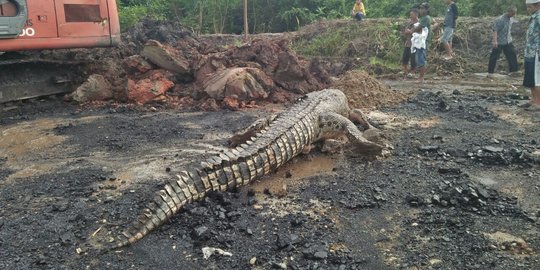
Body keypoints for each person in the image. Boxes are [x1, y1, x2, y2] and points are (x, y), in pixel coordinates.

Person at [488, 6, 519, 77]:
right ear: (509, 12)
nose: (514, 15)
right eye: (513, 13)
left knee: (512, 55)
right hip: (499, 41)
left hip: (508, 41)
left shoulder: (511, 19)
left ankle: (513, 71)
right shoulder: (500, 19)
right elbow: (495, 30)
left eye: (515, 13)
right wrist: (495, 41)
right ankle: (490, 72)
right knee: (494, 56)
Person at [522, 0, 540, 111]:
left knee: (537, 78)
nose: (528, 9)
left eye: (530, 7)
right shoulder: (534, 17)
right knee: (531, 77)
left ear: (538, 5)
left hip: (537, 52)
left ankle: (538, 103)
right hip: (530, 52)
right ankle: (533, 99)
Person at [402, 9, 419, 77]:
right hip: (408, 42)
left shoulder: (419, 23)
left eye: (412, 14)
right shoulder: (410, 22)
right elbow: (406, 31)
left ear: (416, 15)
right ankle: (405, 70)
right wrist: (409, 31)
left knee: (413, 58)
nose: (410, 16)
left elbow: (415, 32)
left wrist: (410, 31)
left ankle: (413, 71)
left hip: (415, 43)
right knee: (405, 56)